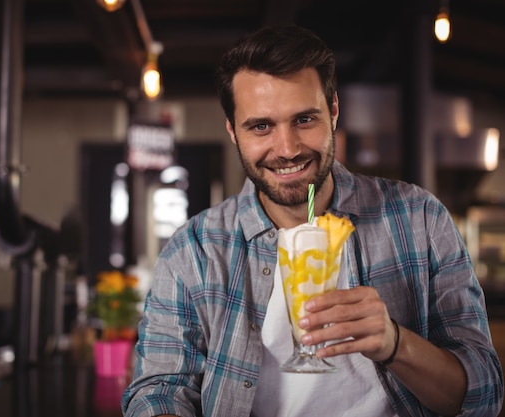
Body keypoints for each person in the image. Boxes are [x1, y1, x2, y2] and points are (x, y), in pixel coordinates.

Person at [121, 24, 503, 417]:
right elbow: (158, 391)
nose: (287, 149)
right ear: (233, 131)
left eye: (304, 120)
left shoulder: (419, 218)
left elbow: (484, 395)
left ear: (333, 111)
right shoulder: (194, 250)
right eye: (261, 126)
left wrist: (395, 343)